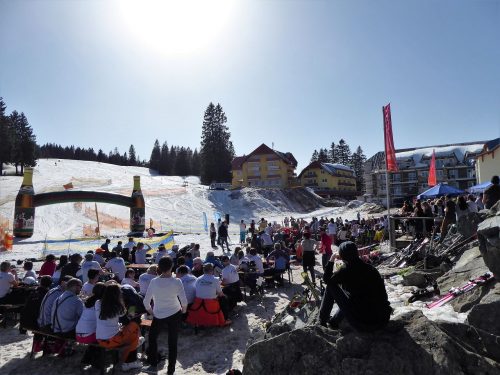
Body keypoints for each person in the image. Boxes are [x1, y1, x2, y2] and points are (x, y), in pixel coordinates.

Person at [319, 242, 391, 331]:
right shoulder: (371, 269)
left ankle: (322, 322)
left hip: (363, 323)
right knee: (355, 298)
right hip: (383, 320)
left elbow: (327, 280)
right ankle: (333, 322)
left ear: (342, 256)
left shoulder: (345, 271)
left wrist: (332, 259)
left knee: (331, 286)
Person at [143, 256, 187, 374]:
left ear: (159, 268)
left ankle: (153, 365)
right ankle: (170, 371)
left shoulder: (154, 281)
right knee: (172, 342)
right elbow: (184, 301)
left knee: (152, 338)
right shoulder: (177, 281)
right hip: (175, 312)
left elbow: (146, 302)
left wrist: (152, 312)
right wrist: (183, 311)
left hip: (159, 314)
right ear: (172, 267)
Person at [96, 283, 143, 371]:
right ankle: (128, 362)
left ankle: (135, 346)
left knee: (130, 331)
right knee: (135, 327)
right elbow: (130, 317)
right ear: (118, 294)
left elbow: (110, 320)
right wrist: (132, 309)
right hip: (112, 341)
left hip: (99, 339)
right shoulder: (119, 307)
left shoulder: (97, 303)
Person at [76, 282, 106, 367]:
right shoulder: (100, 304)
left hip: (78, 334)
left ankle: (87, 358)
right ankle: (96, 360)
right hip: (88, 336)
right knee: (103, 336)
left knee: (95, 332)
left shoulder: (87, 302)